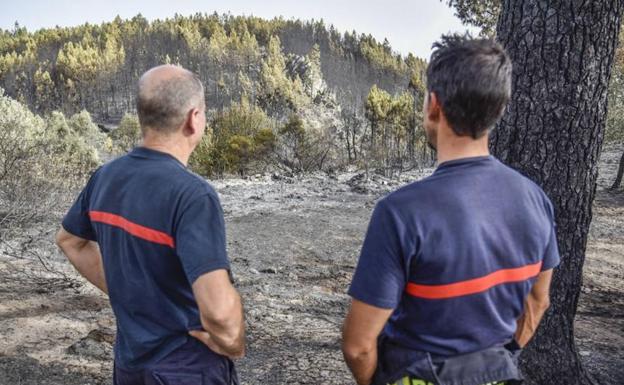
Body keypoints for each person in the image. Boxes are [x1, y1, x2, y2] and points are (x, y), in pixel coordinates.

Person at [342, 34, 560, 385]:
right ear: (499, 109)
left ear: (433, 105)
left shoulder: (400, 213)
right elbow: (539, 301)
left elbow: (358, 346)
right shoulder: (536, 200)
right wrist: (496, 360)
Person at [56, 65, 245, 385]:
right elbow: (219, 313)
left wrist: (127, 294)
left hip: (130, 365)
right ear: (193, 118)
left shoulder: (106, 177)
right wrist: (233, 342)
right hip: (188, 368)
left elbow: (70, 241)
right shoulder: (193, 195)